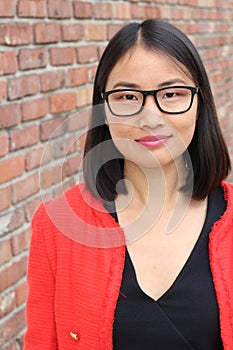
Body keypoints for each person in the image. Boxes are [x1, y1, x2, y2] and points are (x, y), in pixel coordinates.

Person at [24, 19, 233, 350]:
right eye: (127, 96)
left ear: (200, 103)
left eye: (172, 93)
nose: (150, 116)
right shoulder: (56, 226)